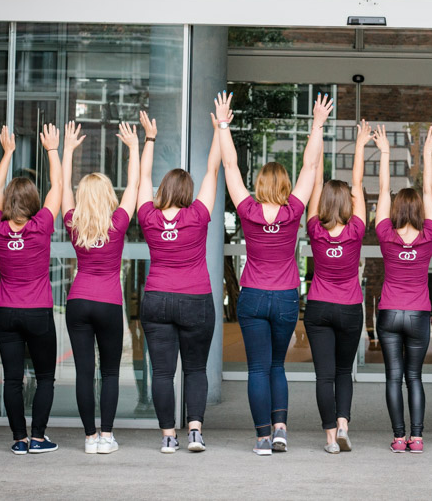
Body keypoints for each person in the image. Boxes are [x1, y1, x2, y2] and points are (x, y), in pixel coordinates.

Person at [216, 90, 330, 456]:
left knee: (257, 369)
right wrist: (316, 124)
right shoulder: (292, 211)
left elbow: (231, 167)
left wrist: (223, 125)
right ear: (283, 186)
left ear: (262, 185)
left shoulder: (247, 209)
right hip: (283, 298)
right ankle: (281, 429)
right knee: (277, 366)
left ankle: (263, 437)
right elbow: (310, 168)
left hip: (251, 297)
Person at [136, 106, 222, 454]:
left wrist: (150, 139)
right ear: (187, 192)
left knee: (161, 372)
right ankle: (196, 432)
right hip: (195, 300)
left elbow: (142, 180)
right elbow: (213, 170)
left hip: (157, 299)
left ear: (165, 190)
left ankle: (168, 436)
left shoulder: (149, 217)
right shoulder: (198, 215)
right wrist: (219, 128)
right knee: (195, 369)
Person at [61, 121, 140, 454]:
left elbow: (62, 185)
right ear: (108, 196)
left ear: (82, 198)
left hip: (78, 301)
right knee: (109, 372)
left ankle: (90, 438)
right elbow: (134, 185)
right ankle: (107, 436)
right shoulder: (118, 222)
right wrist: (134, 148)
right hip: (108, 303)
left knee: (83, 372)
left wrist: (66, 150)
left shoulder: (73, 221)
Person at [0, 123, 62, 455]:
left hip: (5, 312)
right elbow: (58, 185)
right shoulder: (41, 225)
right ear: (33, 201)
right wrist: (51, 149)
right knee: (45, 376)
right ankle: (38, 437)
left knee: (13, 378)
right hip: (38, 312)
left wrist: (7, 153)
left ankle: (19, 439)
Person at [372, 124, 432, 454]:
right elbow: (429, 192)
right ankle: (417, 437)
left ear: (396, 209)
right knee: (414, 378)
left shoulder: (385, 233)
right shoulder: (430, 235)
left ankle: (398, 437)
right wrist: (427, 155)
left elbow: (384, 187)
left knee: (392, 378)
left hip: (388, 313)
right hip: (417, 316)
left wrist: (385, 152)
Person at [304, 119, 372, 454]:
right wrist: (360, 144)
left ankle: (330, 438)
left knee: (324, 376)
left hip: (318, 307)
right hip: (348, 309)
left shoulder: (314, 227)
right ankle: (344, 423)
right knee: (344, 371)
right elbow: (357, 183)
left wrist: (316, 136)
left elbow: (315, 180)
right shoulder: (356, 229)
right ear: (347, 204)